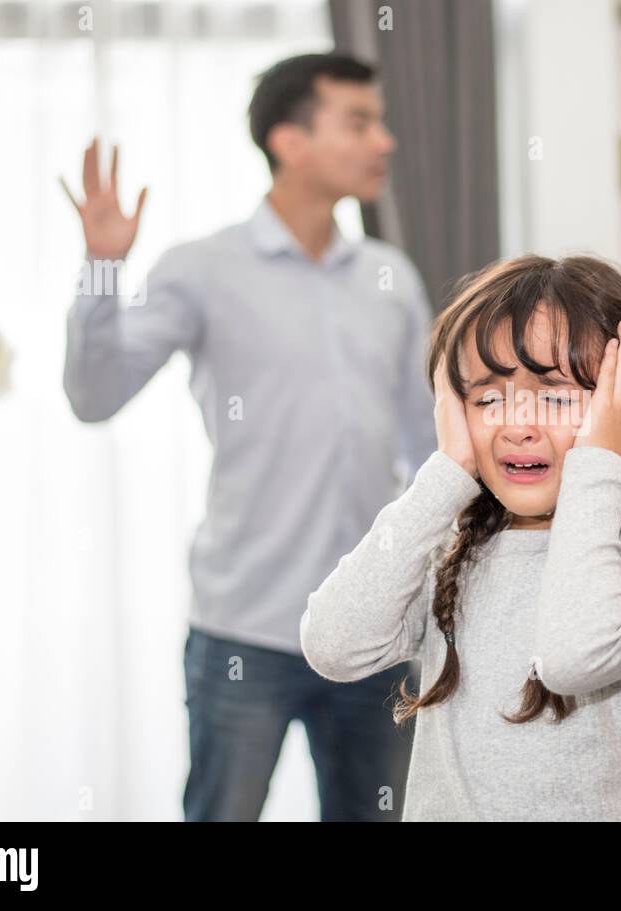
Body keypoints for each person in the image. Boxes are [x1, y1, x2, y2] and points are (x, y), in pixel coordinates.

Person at [58, 53, 437, 821]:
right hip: (244, 632)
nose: (385, 142)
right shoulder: (202, 268)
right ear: (289, 141)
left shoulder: (390, 276)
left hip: (374, 630)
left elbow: (427, 442)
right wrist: (103, 269)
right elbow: (95, 395)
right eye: (359, 122)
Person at [300, 255, 621, 820]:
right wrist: (447, 471)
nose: (519, 425)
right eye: (488, 398)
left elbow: (574, 658)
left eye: (556, 395)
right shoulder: (448, 550)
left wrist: (597, 462)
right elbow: (333, 644)